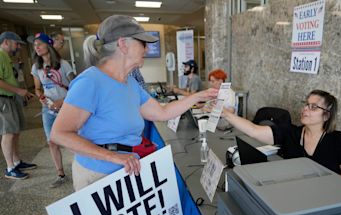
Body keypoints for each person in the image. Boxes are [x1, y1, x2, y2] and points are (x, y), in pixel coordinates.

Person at [50, 15, 218, 191]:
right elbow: (59, 134)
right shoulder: (90, 81)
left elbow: (162, 112)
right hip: (98, 176)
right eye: (143, 43)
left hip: (127, 171)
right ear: (123, 44)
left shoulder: (130, 83)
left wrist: (199, 96)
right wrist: (113, 157)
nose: (146, 49)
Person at [223, 90, 341, 184]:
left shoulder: (339, 140)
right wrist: (226, 114)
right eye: (306, 104)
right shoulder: (290, 132)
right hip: (294, 191)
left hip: (328, 195)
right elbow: (254, 130)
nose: (305, 109)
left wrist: (319, 182)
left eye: (314, 107)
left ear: (326, 115)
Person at [31, 32, 74, 188]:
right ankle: (61, 174)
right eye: (35, 45)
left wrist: (61, 101)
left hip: (66, 108)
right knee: (52, 142)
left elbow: (76, 87)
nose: (36, 48)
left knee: (73, 141)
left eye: (39, 44)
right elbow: (37, 88)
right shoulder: (36, 67)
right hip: (48, 110)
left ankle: (80, 168)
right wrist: (41, 97)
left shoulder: (63, 64)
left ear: (48, 45)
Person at [0, 31, 36, 180]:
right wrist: (18, 90)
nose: (18, 47)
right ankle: (10, 168)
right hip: (3, 99)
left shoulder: (6, 57)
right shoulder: (0, 55)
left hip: (11, 98)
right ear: (6, 42)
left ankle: (16, 161)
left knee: (15, 131)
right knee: (8, 133)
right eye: (16, 44)